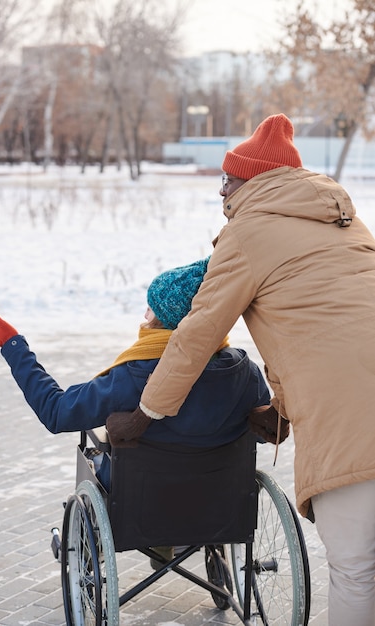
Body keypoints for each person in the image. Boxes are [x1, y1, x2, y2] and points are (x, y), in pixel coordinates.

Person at [106, 114, 375, 626]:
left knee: (357, 572)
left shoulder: (248, 232)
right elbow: (326, 330)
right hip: (356, 400)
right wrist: (280, 408)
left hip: (351, 426)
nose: (221, 190)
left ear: (248, 180)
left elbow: (197, 333)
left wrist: (144, 413)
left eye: (226, 179)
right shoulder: (345, 224)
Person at [0, 256, 270, 487]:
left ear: (168, 320)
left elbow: (56, 413)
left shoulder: (132, 378)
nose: (144, 315)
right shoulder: (246, 372)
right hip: (220, 500)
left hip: (143, 503)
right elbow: (258, 434)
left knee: (96, 456)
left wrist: (14, 348)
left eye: (151, 308)